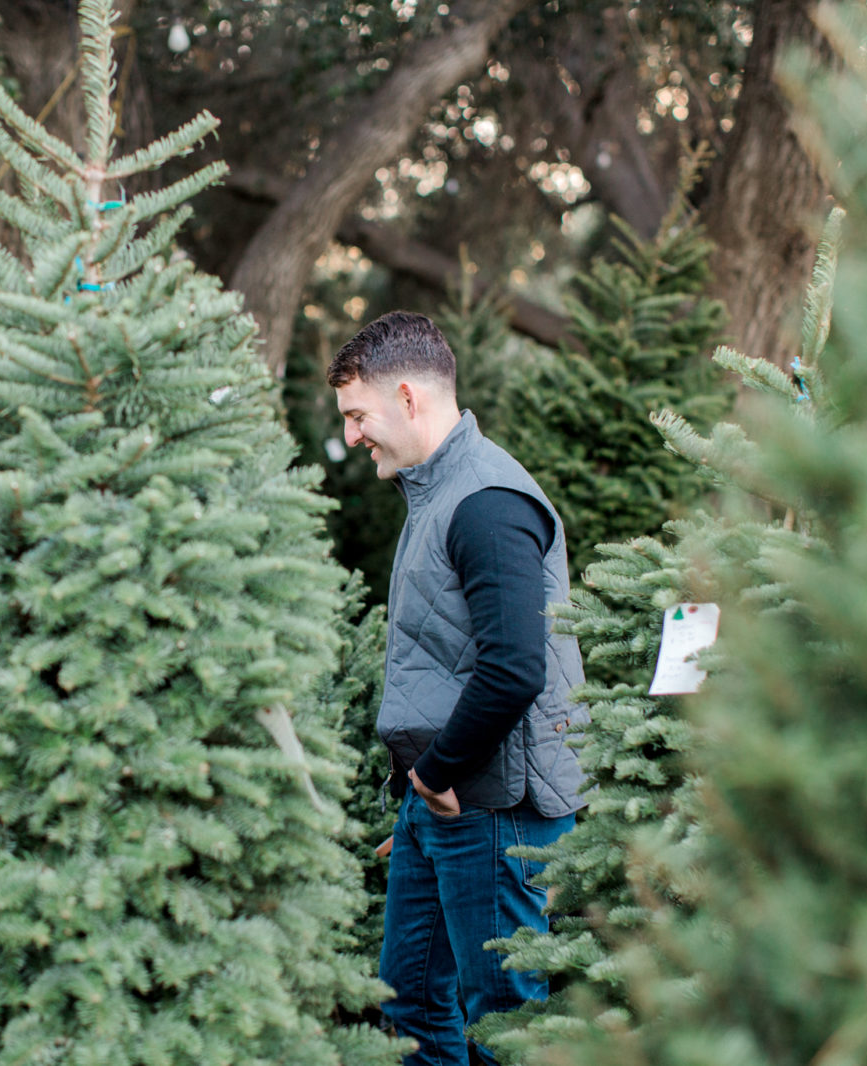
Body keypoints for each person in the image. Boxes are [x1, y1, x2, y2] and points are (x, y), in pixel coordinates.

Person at [328, 310, 588, 1066]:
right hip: (438, 802)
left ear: (407, 397)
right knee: (409, 1000)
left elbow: (513, 668)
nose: (351, 437)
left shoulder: (488, 501)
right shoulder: (436, 491)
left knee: (502, 1023)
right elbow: (442, 659)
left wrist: (436, 776)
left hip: (494, 806)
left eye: (357, 416)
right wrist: (418, 794)